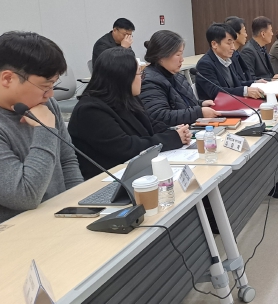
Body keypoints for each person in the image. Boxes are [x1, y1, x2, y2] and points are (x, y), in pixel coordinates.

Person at [68, 48, 191, 180]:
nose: (142, 79)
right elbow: (127, 148)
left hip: (135, 172)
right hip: (107, 179)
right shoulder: (90, 111)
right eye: (140, 74)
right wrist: (171, 138)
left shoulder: (126, 98)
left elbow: (150, 125)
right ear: (124, 77)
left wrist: (174, 131)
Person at [0, 32, 84, 223]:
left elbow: (67, 160)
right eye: (45, 86)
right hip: (20, 230)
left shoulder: (46, 104)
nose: (50, 95)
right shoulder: (43, 116)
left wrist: (79, 204)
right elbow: (25, 196)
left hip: (61, 218)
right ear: (8, 79)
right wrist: (45, 130)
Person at [140, 30, 218, 126]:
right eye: (178, 55)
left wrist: (200, 104)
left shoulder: (177, 76)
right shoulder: (149, 82)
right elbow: (159, 116)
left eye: (182, 54)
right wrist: (199, 112)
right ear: (161, 56)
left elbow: (178, 103)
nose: (182, 59)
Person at [195, 23, 265, 102]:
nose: (233, 48)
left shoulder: (227, 59)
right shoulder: (205, 64)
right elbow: (215, 92)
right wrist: (245, 91)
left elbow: (237, 84)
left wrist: (255, 83)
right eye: (229, 43)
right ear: (214, 44)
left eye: (233, 43)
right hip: (217, 106)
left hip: (234, 102)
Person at [239, 16, 278, 81]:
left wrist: (274, 77)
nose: (272, 34)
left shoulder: (262, 47)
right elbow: (250, 78)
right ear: (263, 34)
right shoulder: (248, 51)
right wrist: (270, 80)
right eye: (271, 31)